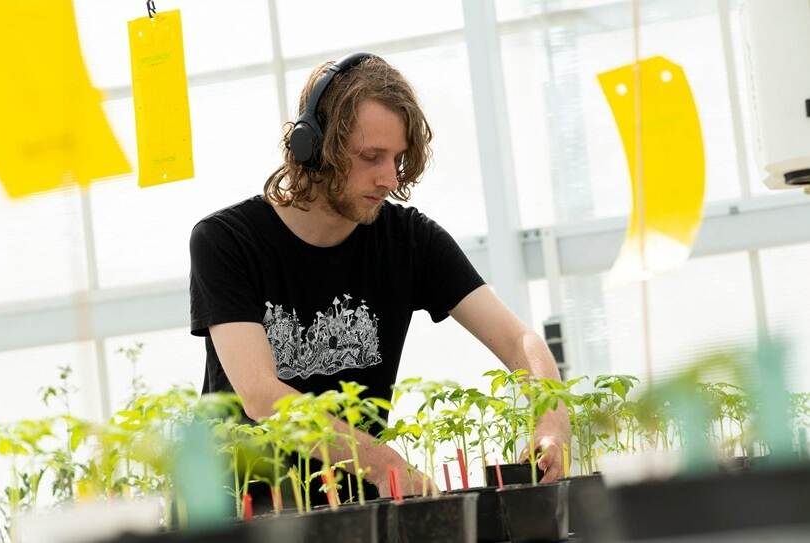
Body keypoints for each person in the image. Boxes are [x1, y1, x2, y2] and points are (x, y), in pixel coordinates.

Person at [189, 52, 569, 504]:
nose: (389, 177)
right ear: (312, 146)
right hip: (237, 507)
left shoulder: (410, 240)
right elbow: (261, 395)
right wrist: (384, 463)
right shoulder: (227, 242)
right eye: (371, 157)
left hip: (358, 507)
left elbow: (518, 340)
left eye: (398, 158)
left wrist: (552, 421)